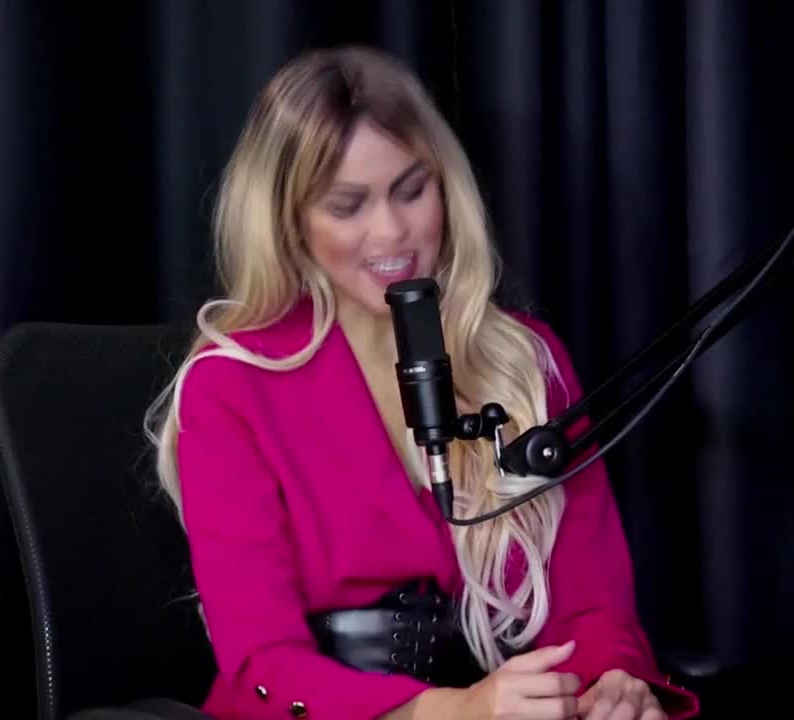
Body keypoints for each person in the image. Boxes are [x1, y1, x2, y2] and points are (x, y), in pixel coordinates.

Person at [145, 45, 700, 720]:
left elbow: (596, 609)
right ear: (290, 223)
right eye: (347, 206)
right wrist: (454, 711)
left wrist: (613, 683)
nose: (392, 231)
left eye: (412, 192)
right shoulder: (232, 387)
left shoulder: (525, 362)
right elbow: (262, 670)